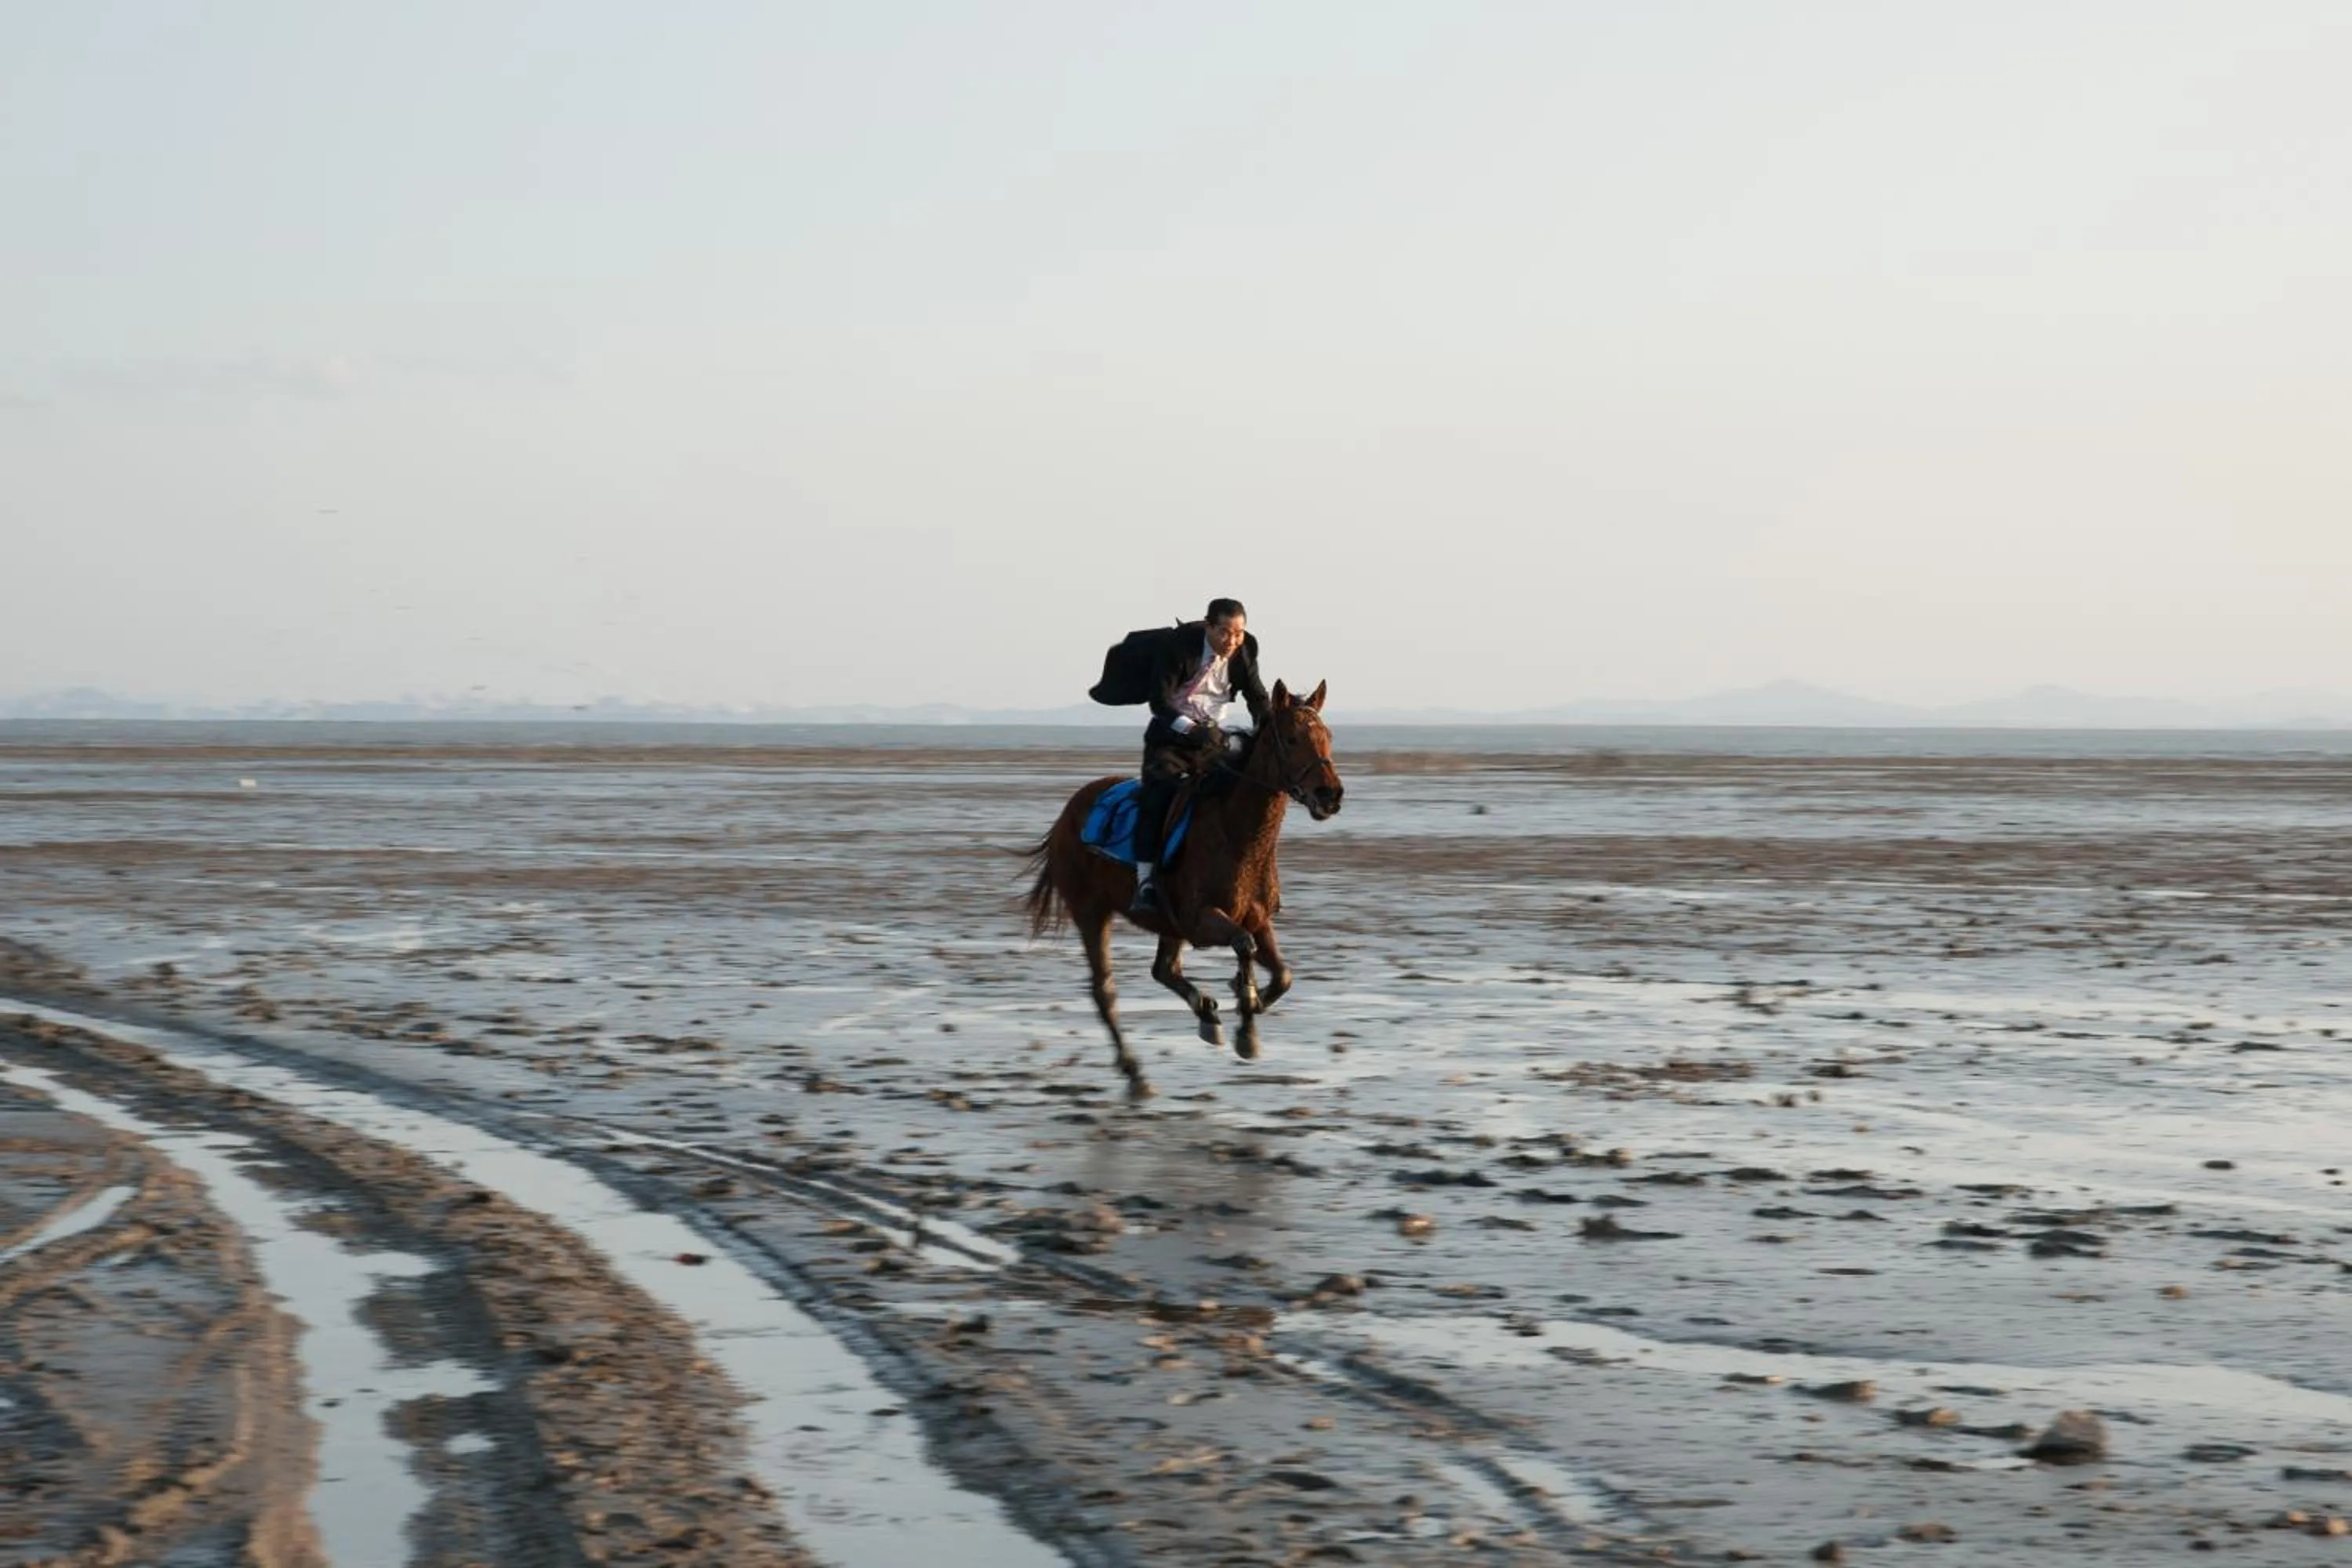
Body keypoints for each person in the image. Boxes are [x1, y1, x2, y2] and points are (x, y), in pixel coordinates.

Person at [1131, 597, 1272, 916]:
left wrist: (1268, 727)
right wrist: (1192, 730)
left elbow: (1257, 696)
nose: (1232, 641)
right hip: (1171, 739)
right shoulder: (1179, 648)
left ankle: (1253, 879)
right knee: (1157, 796)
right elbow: (1159, 703)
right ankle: (1145, 881)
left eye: (1238, 633)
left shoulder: (1244, 650)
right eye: (1224, 632)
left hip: (1215, 741)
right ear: (1209, 626)